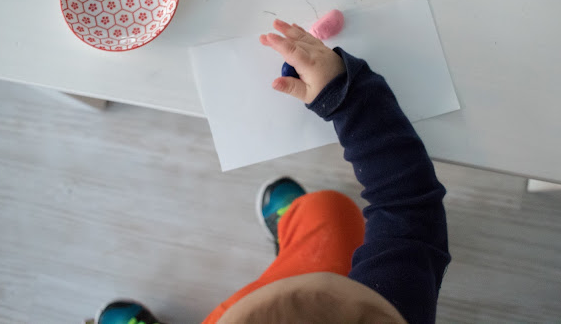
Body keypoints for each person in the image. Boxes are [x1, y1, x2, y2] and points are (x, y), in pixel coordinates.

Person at [91, 19, 451, 324]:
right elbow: (407, 202)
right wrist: (345, 93)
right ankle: (296, 234)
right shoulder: (398, 300)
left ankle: (294, 245)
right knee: (327, 210)